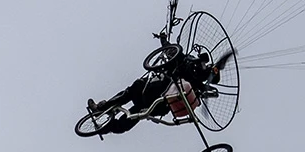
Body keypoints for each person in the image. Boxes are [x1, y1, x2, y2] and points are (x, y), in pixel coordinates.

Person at [88, 49, 223, 135]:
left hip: (156, 98)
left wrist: (208, 91)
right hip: (154, 96)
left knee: (133, 107)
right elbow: (172, 50)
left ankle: (105, 119)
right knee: (132, 102)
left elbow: (200, 96)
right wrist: (163, 40)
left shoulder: (195, 84)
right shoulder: (186, 63)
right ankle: (104, 113)